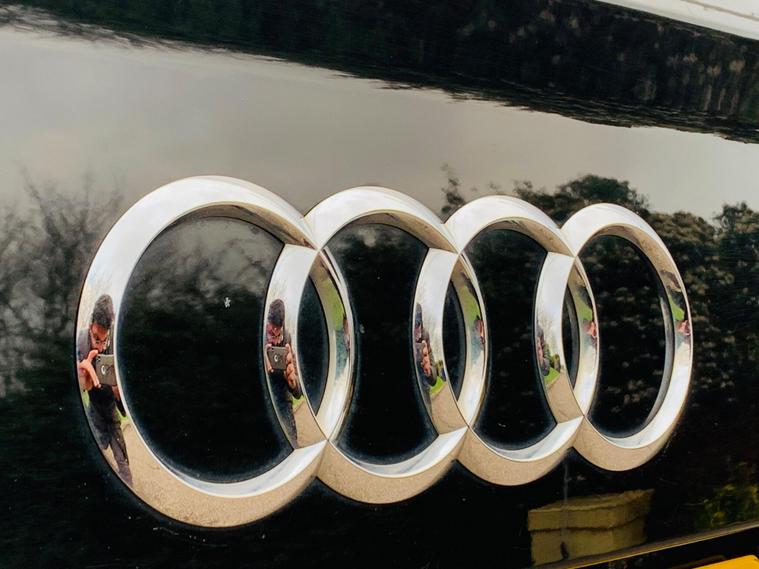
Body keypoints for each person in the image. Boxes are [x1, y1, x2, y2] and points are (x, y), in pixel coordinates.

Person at [77, 294, 133, 486]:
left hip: (111, 410)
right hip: (94, 411)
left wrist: (119, 392)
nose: (100, 347)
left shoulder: (117, 345)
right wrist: (81, 378)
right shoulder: (80, 343)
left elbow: (126, 404)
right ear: (90, 325)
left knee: (123, 462)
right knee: (95, 456)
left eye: (104, 340)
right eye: (96, 338)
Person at [264, 299, 301, 444]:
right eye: (270, 334)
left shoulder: (287, 339)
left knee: (292, 441)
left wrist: (292, 382)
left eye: (277, 335)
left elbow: (298, 393)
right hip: (265, 399)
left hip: (283, 400)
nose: (274, 341)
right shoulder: (259, 338)